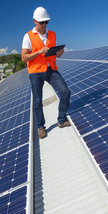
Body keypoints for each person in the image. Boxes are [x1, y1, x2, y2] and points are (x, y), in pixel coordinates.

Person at [22, 7, 71, 139]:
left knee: (65, 92)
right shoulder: (28, 36)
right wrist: (38, 52)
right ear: (35, 21)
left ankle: (61, 119)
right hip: (36, 71)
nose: (44, 25)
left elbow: (55, 54)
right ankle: (41, 127)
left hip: (50, 69)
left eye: (46, 22)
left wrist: (59, 53)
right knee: (37, 101)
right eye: (41, 22)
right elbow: (24, 57)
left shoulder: (52, 34)